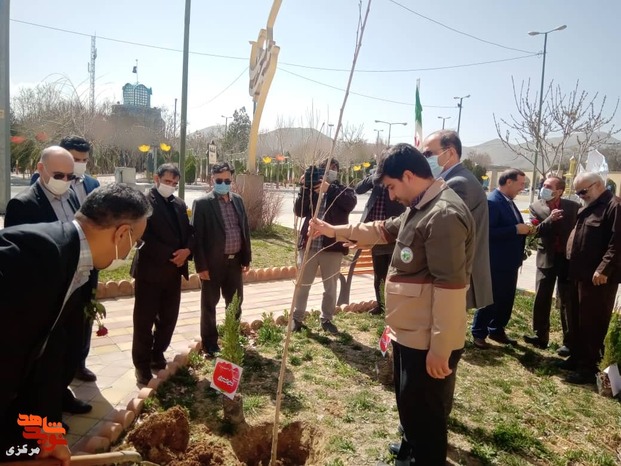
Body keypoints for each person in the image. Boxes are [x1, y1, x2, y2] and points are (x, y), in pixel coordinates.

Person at [311, 144, 474, 465]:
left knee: (427, 415)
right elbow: (384, 229)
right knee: (410, 404)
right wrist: (334, 231)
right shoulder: (422, 206)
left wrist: (441, 348)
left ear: (409, 176)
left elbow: (450, 288)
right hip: (410, 332)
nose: (391, 194)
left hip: (427, 340)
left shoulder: (443, 215)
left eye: (391, 186)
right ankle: (410, 450)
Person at [0, 183, 150, 465]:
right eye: (137, 241)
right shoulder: (34, 253)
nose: (132, 249)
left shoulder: (74, 263)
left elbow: (45, 352)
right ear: (122, 233)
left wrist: (47, 430)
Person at [131, 164, 194, 385]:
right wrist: (170, 254)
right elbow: (141, 236)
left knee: (168, 318)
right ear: (156, 178)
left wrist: (187, 250)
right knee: (144, 320)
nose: (171, 186)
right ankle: (141, 364)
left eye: (175, 183)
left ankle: (157, 353)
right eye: (167, 181)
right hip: (150, 271)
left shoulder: (179, 204)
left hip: (173, 272)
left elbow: (189, 232)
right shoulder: (143, 202)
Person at [422, 130, 493, 310]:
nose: (425, 159)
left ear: (450, 152)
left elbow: (443, 231)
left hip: (454, 275)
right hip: (455, 273)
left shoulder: (458, 183)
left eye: (428, 154)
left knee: (446, 322)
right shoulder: (454, 179)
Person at [563, 172, 621, 384]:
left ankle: (587, 367)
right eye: (577, 192)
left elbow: (617, 243)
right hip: (579, 273)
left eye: (583, 191)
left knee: (592, 323)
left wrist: (604, 269)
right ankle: (576, 358)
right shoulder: (590, 205)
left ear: (598, 185)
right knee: (576, 319)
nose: (580, 196)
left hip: (598, 279)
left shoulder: (614, 206)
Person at [191, 162, 251, 357]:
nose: (223, 184)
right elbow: (197, 238)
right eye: (219, 181)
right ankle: (210, 343)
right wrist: (201, 266)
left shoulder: (238, 201)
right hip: (212, 264)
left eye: (227, 181)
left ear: (231, 180)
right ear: (212, 180)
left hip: (235, 262)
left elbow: (244, 230)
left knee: (235, 303)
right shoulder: (202, 204)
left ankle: (232, 338)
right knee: (209, 305)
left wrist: (246, 258)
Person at [292, 158, 356, 333]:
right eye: (327, 168)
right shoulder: (311, 189)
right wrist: (304, 189)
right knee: (302, 284)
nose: (330, 171)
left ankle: (326, 318)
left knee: (330, 287)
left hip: (332, 248)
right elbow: (299, 211)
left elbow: (350, 203)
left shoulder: (343, 190)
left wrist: (330, 189)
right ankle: (297, 318)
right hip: (309, 245)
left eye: (334, 168)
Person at [471, 169, 528, 349]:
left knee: (506, 299)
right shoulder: (493, 202)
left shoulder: (508, 201)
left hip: (509, 261)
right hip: (496, 261)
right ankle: (479, 332)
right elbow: (486, 232)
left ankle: (496, 329)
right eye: (521, 183)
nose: (523, 188)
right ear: (509, 182)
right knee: (491, 298)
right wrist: (515, 230)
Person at [523, 175, 579, 352]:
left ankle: (569, 342)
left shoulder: (573, 207)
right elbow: (534, 231)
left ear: (559, 191)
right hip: (546, 258)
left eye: (548, 186)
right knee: (542, 297)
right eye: (544, 185)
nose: (544, 188)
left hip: (567, 260)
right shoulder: (536, 206)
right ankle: (540, 336)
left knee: (567, 300)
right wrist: (549, 220)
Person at [355, 159, 405, 316]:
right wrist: (374, 176)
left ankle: (394, 306)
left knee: (394, 272)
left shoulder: (398, 176)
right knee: (379, 272)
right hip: (376, 232)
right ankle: (381, 305)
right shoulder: (375, 176)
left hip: (394, 230)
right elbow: (358, 189)